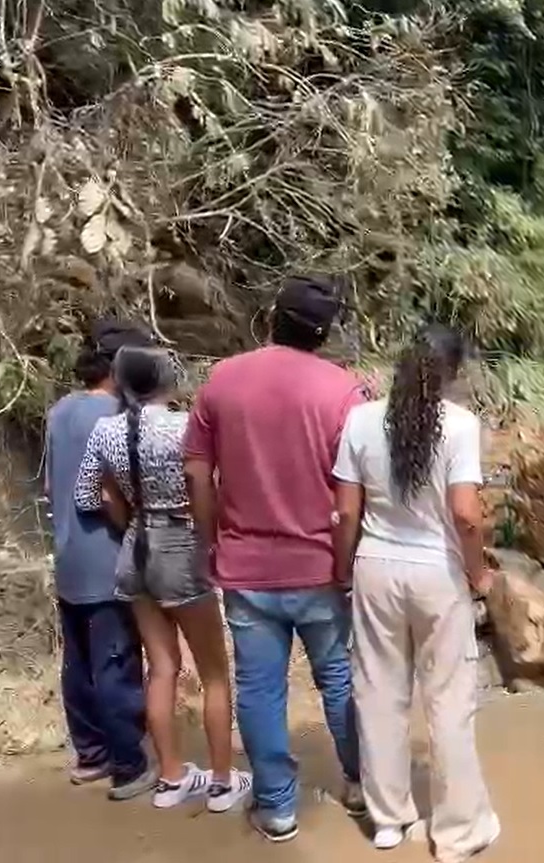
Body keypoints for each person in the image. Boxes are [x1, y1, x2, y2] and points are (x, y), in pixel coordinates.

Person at [182, 276, 367, 842]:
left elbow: (196, 471)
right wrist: (346, 563)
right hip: (320, 567)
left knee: (260, 689)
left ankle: (278, 807)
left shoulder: (222, 380)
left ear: (271, 316)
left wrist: (211, 540)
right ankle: (361, 784)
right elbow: (354, 494)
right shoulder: (344, 391)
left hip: (246, 569)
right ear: (326, 332)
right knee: (338, 680)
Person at [332, 324, 501, 856]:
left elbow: (346, 512)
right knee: (449, 700)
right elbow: (466, 516)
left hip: (375, 568)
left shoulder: (360, 421)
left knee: (379, 693)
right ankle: (457, 831)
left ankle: (388, 819)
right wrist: (479, 576)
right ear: (452, 372)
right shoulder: (461, 425)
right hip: (437, 574)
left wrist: (342, 570)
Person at [74, 346, 252, 812]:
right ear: (165, 382)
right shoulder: (185, 425)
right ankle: (219, 781)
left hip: (135, 548)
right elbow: (211, 486)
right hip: (179, 545)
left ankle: (171, 778)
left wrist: (129, 519)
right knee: (214, 672)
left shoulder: (105, 429)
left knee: (162, 668)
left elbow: (91, 492)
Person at [44, 320, 153, 799]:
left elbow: (50, 487)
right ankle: (129, 764)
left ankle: (91, 754)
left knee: (80, 663)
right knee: (115, 662)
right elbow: (117, 495)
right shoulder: (116, 419)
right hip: (107, 559)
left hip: (67, 556)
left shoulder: (60, 411)